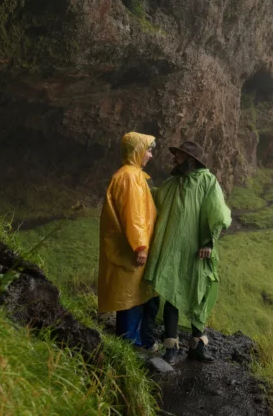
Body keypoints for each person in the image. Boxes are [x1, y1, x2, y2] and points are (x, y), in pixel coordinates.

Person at [144, 140, 232, 363]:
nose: (175, 159)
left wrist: (208, 243)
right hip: (174, 248)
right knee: (172, 292)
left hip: (197, 249)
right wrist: (137, 185)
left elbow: (217, 212)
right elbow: (155, 199)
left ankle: (197, 346)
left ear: (191, 160)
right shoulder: (173, 183)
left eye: (180, 156)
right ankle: (171, 348)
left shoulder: (207, 181)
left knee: (199, 292)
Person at [98, 131, 158, 350]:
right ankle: (129, 344)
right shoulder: (130, 178)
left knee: (132, 295)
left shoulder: (131, 175)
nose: (150, 156)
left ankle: (134, 341)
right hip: (129, 250)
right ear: (136, 151)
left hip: (128, 248)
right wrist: (140, 245)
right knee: (130, 297)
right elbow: (133, 216)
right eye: (148, 150)